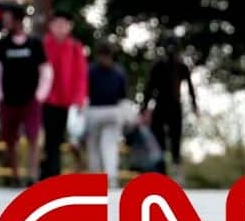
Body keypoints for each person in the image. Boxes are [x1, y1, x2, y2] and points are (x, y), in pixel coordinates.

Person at [0, 6, 52, 186]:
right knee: (10, 139)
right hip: (8, 100)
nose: (5, 22)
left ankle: (32, 175)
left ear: (18, 20)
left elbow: (46, 70)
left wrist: (41, 94)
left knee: (34, 137)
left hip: (30, 100)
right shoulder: (2, 44)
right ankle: (14, 175)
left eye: (8, 18)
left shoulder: (34, 44)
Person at [141, 37, 198, 181]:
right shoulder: (159, 66)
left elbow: (190, 87)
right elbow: (149, 88)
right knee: (159, 140)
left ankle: (175, 169)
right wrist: (144, 109)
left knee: (175, 139)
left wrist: (194, 105)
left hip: (174, 106)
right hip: (161, 106)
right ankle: (161, 172)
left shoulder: (181, 66)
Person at [40, 9, 87, 180]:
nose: (60, 27)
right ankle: (50, 172)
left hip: (68, 101)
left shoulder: (75, 47)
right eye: (57, 24)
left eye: (64, 24)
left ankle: (54, 171)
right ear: (51, 26)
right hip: (47, 99)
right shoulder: (44, 45)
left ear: (69, 27)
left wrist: (79, 99)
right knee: (50, 138)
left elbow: (81, 75)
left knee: (62, 137)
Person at [85, 42, 129, 188]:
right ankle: (110, 177)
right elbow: (123, 96)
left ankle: (101, 177)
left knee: (97, 146)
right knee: (107, 146)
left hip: (98, 111)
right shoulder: (118, 72)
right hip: (109, 111)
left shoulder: (91, 71)